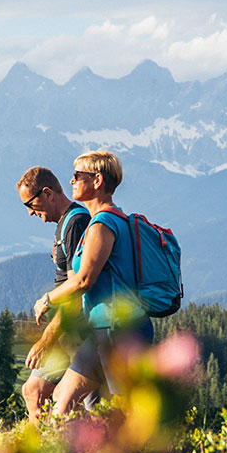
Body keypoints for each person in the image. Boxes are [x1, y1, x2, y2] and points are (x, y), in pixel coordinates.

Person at [34, 150, 152, 416]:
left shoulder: (103, 223)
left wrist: (47, 299)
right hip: (102, 330)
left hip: (120, 332)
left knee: (124, 414)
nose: (72, 181)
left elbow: (85, 279)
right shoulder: (109, 220)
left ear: (97, 180)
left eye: (77, 175)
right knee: (62, 402)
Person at [15, 166, 92, 419]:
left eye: (30, 203)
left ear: (47, 193)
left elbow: (76, 295)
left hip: (77, 331)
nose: (28, 212)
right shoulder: (64, 224)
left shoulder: (76, 223)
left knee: (73, 404)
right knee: (33, 392)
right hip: (66, 331)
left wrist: (45, 341)